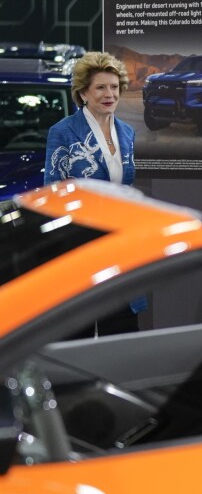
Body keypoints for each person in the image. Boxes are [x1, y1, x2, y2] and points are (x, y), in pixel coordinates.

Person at [45, 51, 139, 335]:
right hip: (78, 241)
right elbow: (53, 193)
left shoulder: (127, 132)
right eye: (100, 87)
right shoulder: (62, 131)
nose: (109, 94)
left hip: (118, 241)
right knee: (79, 329)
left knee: (121, 325)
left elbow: (126, 186)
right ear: (83, 93)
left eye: (114, 87)